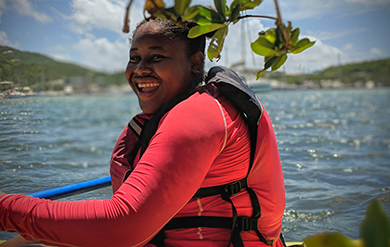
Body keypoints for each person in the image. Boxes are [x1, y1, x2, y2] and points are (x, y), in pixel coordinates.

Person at [0, 18, 285, 247]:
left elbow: (122, 225)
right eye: (134, 57)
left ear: (196, 63)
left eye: (156, 57)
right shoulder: (199, 107)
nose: (139, 70)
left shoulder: (198, 116)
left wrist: (5, 209)